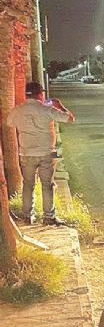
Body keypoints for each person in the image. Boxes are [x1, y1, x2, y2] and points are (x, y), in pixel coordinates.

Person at [6, 82, 76, 226]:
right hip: (46, 153)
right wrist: (59, 106)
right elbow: (70, 119)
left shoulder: (18, 110)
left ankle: (27, 216)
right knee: (47, 185)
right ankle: (49, 217)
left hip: (26, 153)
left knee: (28, 184)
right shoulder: (47, 109)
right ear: (39, 94)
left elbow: (9, 123)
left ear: (26, 95)